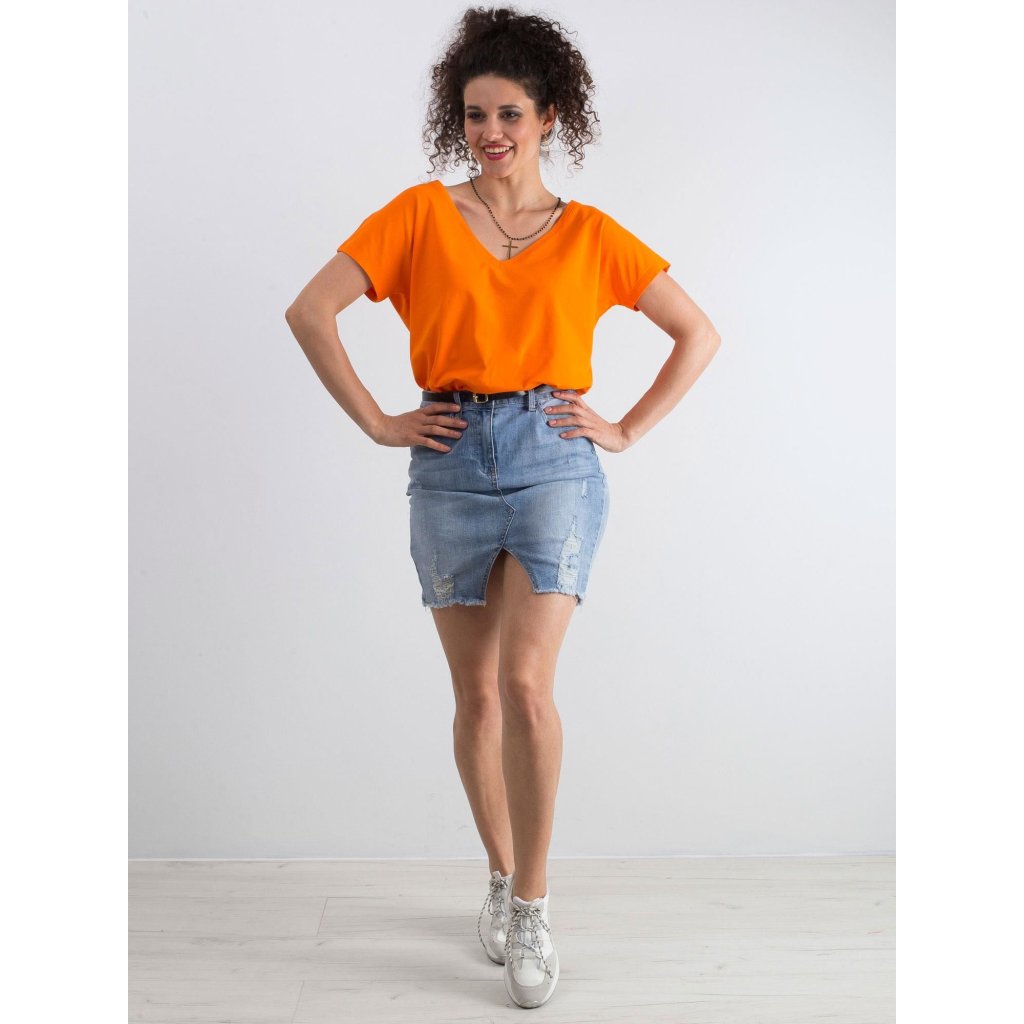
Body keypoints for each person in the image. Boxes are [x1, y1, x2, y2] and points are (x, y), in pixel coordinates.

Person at [285, 5, 720, 1010]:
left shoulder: (592, 235)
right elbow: (310, 311)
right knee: (476, 698)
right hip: (447, 460)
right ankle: (496, 870)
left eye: (510, 114)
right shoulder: (417, 216)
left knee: (526, 687)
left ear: (549, 116)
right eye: (475, 114)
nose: (490, 132)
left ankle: (532, 902)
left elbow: (696, 332)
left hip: (553, 460)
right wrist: (378, 421)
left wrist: (625, 428)